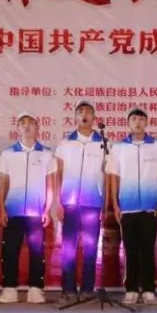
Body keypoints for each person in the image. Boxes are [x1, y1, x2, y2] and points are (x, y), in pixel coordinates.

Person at [107, 107, 157, 305]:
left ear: (146, 123)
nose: (137, 122)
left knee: (148, 249)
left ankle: (149, 289)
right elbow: (114, 176)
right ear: (128, 123)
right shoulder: (118, 148)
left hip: (150, 207)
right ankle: (131, 289)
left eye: (141, 119)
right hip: (127, 206)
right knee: (130, 249)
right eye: (134, 119)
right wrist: (115, 203)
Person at [0, 112, 57, 304]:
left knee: (37, 251)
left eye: (31, 123)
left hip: (36, 212)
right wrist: (2, 209)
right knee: (9, 250)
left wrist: (47, 210)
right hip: (13, 210)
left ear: (38, 128)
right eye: (23, 123)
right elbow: (3, 184)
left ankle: (36, 289)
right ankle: (9, 289)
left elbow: (50, 185)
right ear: (18, 128)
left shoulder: (46, 154)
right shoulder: (8, 154)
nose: (27, 126)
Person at [53, 100, 107, 302]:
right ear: (75, 117)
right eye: (80, 111)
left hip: (93, 202)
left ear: (94, 118)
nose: (84, 114)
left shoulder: (103, 143)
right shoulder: (65, 144)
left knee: (91, 248)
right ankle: (68, 289)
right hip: (70, 202)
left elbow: (107, 174)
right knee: (68, 248)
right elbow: (58, 173)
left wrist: (106, 203)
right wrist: (57, 202)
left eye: (88, 111)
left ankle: (87, 289)